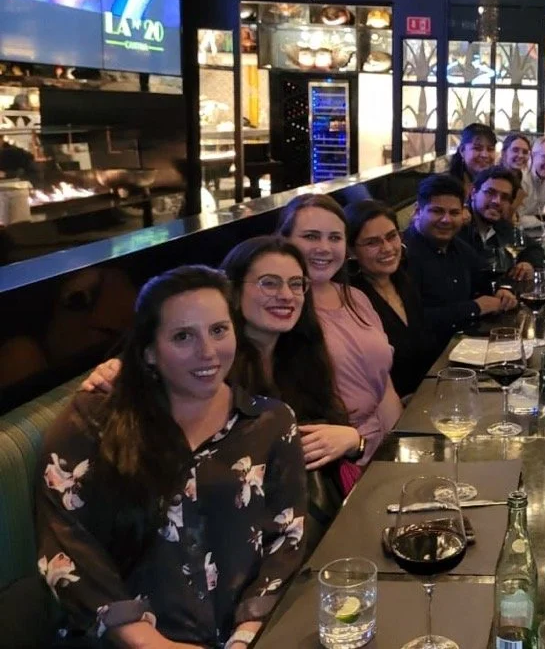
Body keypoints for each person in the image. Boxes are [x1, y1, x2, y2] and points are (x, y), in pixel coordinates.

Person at [37, 266, 307, 648]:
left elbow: (287, 536)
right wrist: (151, 643)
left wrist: (246, 635)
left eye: (218, 330)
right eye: (183, 336)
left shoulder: (272, 422)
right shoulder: (94, 422)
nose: (207, 351)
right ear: (149, 352)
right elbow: (66, 544)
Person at [81, 237, 357, 542]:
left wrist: (353, 440)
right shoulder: (208, 364)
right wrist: (115, 371)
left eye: (296, 284)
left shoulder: (302, 354)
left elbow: (329, 427)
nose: (286, 295)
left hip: (305, 520)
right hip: (231, 529)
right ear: (233, 292)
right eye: (269, 283)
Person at [278, 195, 403, 468]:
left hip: (379, 448)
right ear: (283, 241)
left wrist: (396, 452)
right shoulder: (282, 310)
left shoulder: (356, 297)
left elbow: (384, 387)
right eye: (311, 236)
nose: (324, 248)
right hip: (335, 461)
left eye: (334, 238)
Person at [402, 174, 518, 350]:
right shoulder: (403, 254)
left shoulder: (459, 247)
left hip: (465, 346)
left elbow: (485, 277)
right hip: (429, 357)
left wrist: (502, 290)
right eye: (437, 211)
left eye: (454, 213)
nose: (446, 220)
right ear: (418, 211)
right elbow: (411, 319)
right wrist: (474, 308)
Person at [345, 201, 438, 397]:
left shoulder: (404, 281)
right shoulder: (351, 299)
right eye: (372, 242)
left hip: (426, 397)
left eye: (391, 236)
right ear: (351, 250)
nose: (387, 248)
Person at [458, 166, 545, 286]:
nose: (497, 201)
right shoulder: (459, 226)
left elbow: (534, 248)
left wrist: (528, 263)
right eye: (490, 193)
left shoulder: (501, 226)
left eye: (505, 197)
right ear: (473, 193)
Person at [517, 136, 545, 230]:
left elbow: (536, 214)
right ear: (532, 156)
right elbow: (516, 220)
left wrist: (543, 218)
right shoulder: (520, 179)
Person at [448, 123, 497, 197]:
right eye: (477, 148)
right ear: (462, 150)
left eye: (490, 149)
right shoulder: (446, 182)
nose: (485, 155)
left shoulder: (498, 182)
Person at [501, 132, 532, 211]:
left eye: (525, 152)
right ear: (504, 153)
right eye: (515, 150)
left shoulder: (522, 178)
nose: (521, 155)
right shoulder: (495, 178)